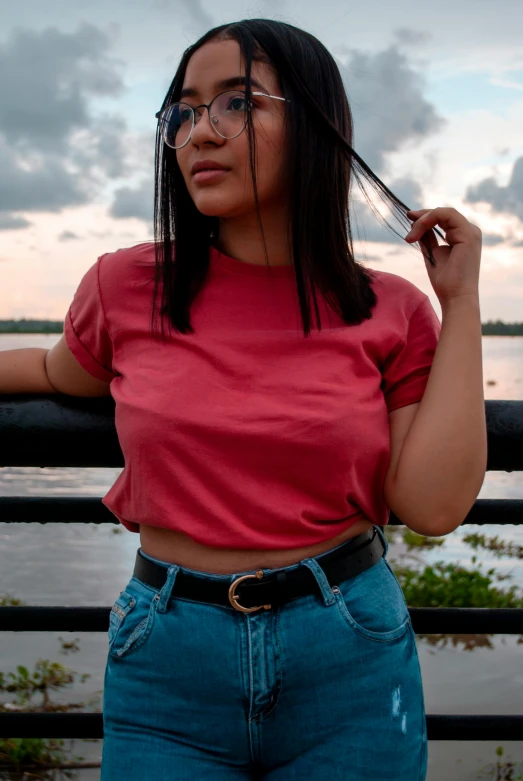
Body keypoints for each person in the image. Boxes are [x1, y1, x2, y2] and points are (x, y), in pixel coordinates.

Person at [42, 16, 485, 781]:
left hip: (346, 651)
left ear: (314, 125)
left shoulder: (388, 309)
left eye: (237, 103)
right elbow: (55, 374)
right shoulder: (125, 285)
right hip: (166, 658)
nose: (197, 132)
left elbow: (432, 504)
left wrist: (462, 302)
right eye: (182, 110)